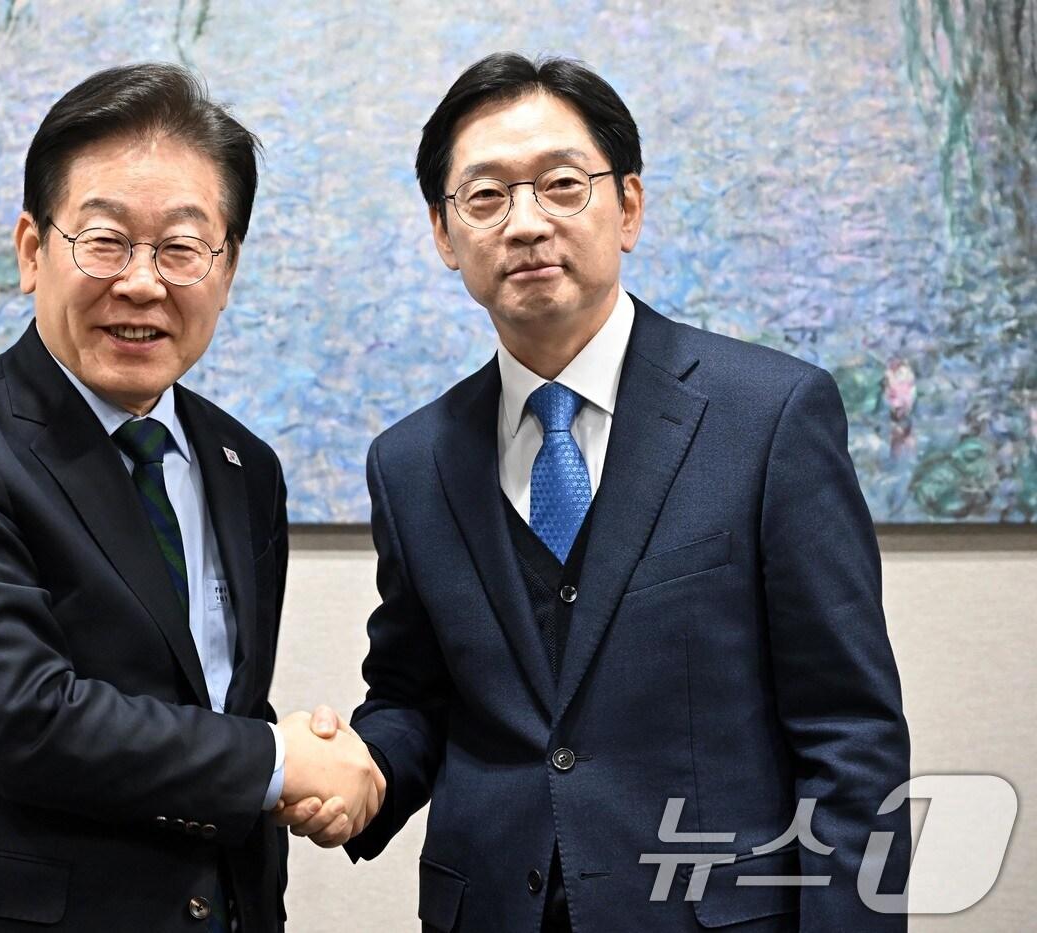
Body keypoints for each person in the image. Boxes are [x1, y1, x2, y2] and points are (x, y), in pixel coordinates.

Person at [280, 53, 911, 931]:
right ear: (444, 234)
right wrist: (366, 771)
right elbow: (416, 695)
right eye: (486, 196)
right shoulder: (413, 461)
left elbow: (850, 736)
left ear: (629, 208)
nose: (526, 223)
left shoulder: (769, 416)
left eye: (562, 185)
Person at [0, 63, 381, 933]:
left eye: (181, 247)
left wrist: (288, 772)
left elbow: (212, 705)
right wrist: (279, 761)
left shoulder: (244, 465)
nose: (141, 282)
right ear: (33, 251)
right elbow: (25, 722)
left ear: (227, 268)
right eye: (105, 241)